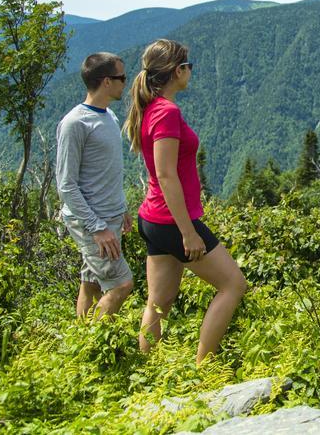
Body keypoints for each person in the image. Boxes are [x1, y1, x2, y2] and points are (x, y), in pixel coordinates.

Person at [123, 39, 246, 364]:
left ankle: (145, 373)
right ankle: (204, 368)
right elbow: (166, 175)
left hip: (153, 218)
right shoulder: (166, 112)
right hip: (170, 221)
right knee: (233, 285)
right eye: (188, 66)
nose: (191, 71)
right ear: (178, 71)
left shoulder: (152, 108)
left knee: (158, 302)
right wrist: (187, 233)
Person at [56, 52, 133, 318]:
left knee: (89, 284)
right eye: (121, 77)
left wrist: (121, 208)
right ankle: (93, 349)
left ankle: (81, 338)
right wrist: (98, 228)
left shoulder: (108, 115)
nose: (126, 81)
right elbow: (66, 185)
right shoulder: (75, 123)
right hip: (93, 222)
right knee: (122, 284)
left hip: (109, 216)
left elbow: (108, 170)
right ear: (106, 82)